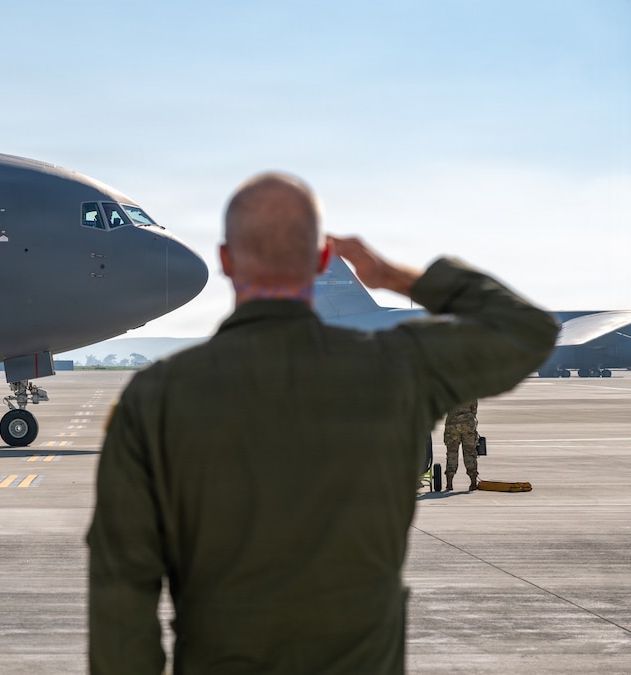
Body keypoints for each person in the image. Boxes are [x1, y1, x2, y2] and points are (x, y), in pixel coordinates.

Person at [87, 173, 558, 674]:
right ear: (321, 261)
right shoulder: (397, 368)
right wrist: (397, 277)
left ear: (225, 261)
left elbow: (121, 591)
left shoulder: (155, 398)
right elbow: (527, 330)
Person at [444, 399, 480, 491]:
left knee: (452, 453)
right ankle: (473, 482)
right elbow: (474, 409)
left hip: (452, 423)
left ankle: (449, 483)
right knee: (470, 452)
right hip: (468, 423)